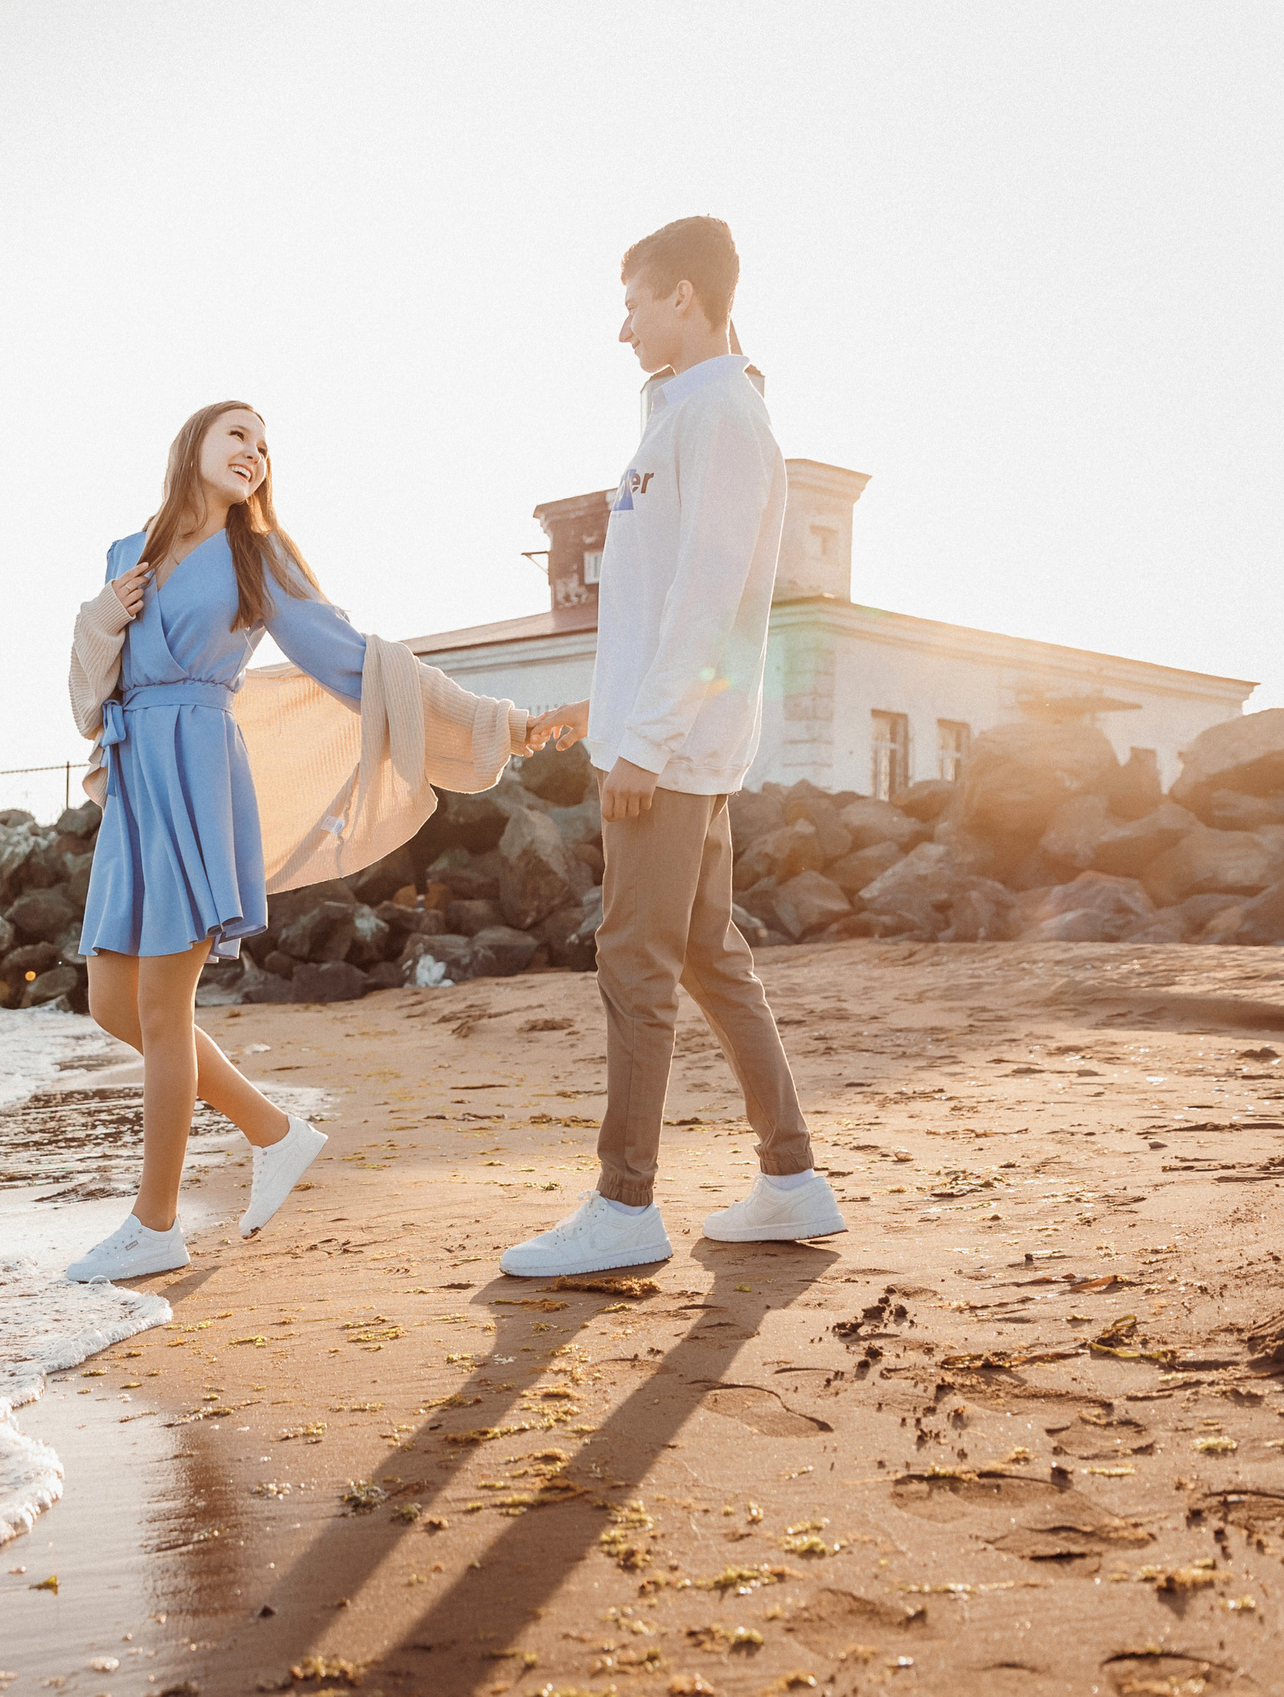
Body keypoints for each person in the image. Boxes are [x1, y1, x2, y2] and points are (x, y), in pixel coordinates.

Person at [62, 401, 540, 1282]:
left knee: (166, 1010)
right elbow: (89, 690)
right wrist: (100, 614)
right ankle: (275, 1132)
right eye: (237, 434)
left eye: (265, 444)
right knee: (110, 1004)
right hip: (136, 785)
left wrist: (494, 722)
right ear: (194, 444)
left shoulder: (258, 557)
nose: (254, 451)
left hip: (199, 774)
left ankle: (154, 1224)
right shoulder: (123, 556)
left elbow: (355, 659)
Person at [501, 217, 846, 1279]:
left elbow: (709, 601)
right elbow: (650, 612)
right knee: (705, 955)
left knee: (633, 961)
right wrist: (594, 713)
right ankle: (790, 1178)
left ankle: (623, 1203)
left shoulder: (723, 418)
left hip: (674, 752)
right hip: (661, 738)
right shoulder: (679, 416)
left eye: (637, 304)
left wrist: (641, 746)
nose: (622, 328)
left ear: (686, 298)